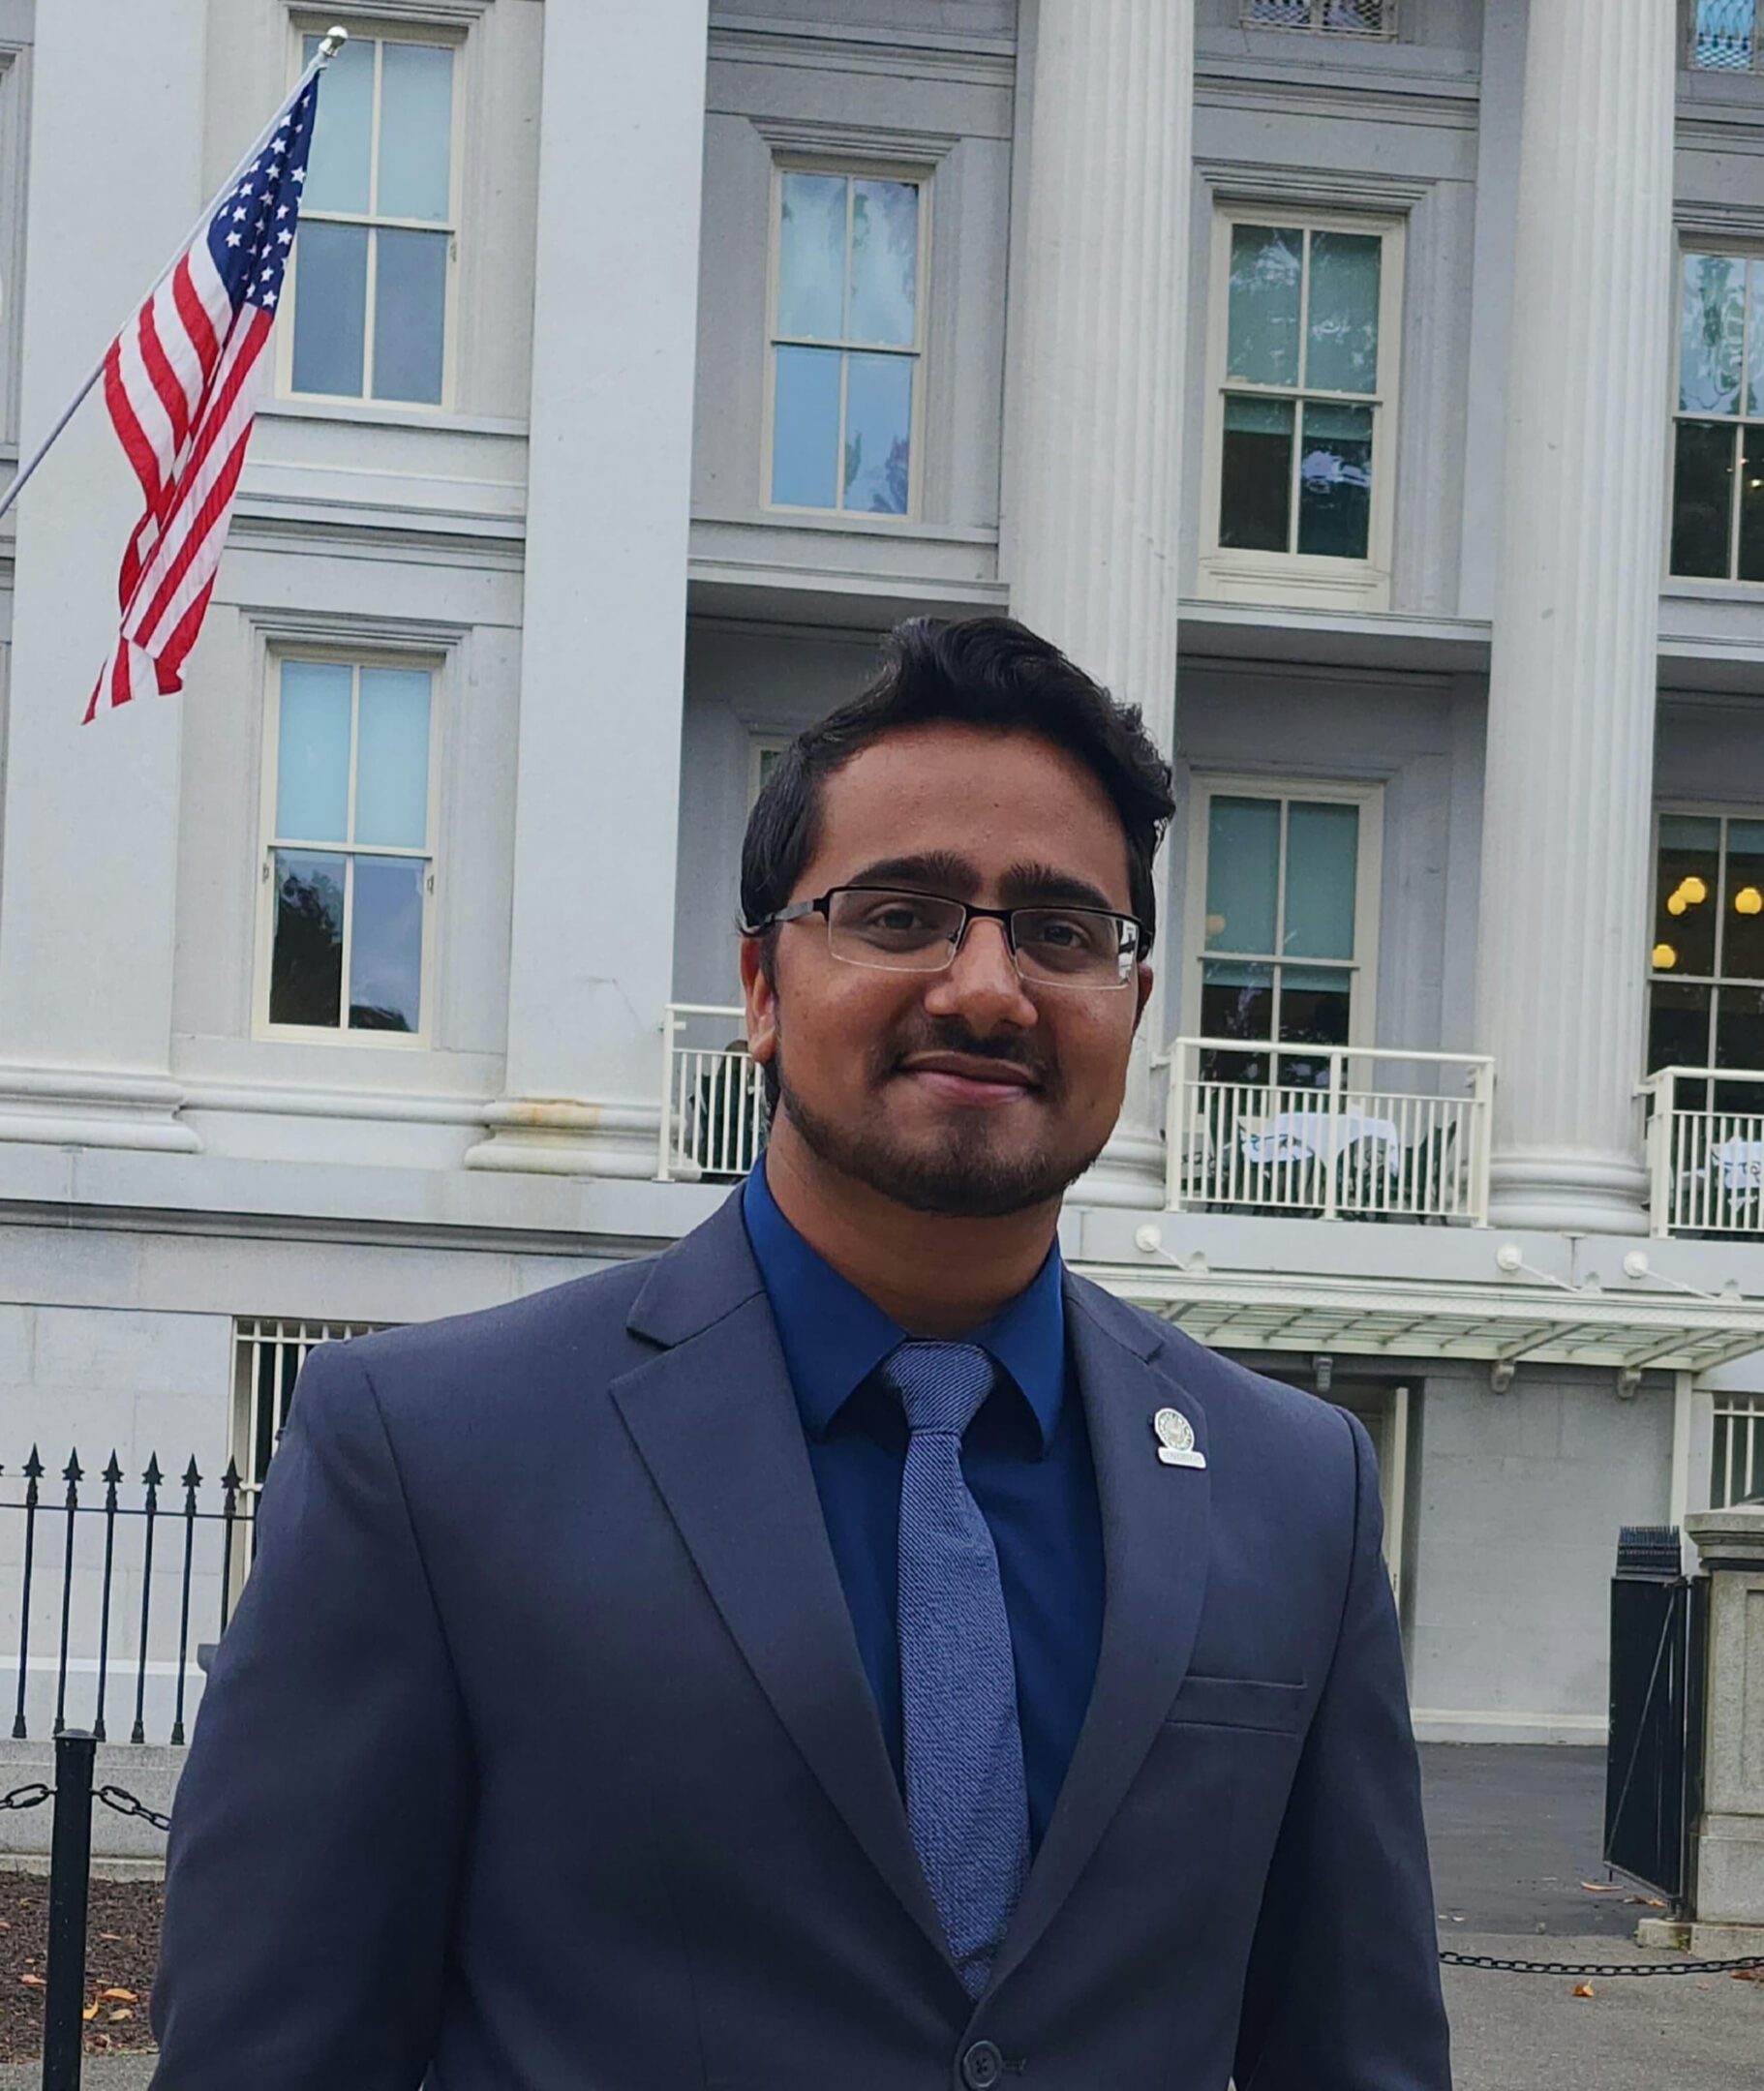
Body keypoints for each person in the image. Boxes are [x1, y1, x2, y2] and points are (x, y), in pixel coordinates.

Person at [149, 617, 1451, 2088]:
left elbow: (1357, 2050)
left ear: (1131, 1008)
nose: (984, 986)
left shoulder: (1298, 1488)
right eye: (898, 914)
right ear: (762, 990)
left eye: (1060, 930)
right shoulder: (427, 1450)